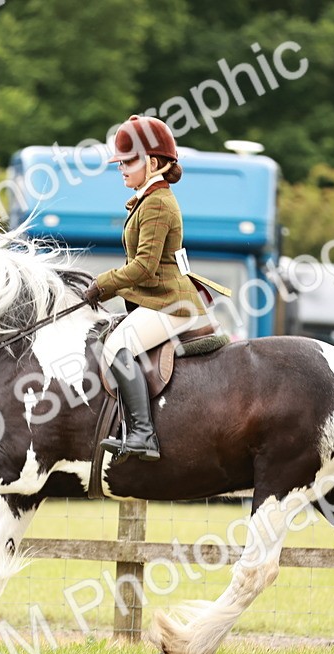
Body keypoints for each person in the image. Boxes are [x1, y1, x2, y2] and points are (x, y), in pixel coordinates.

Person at [83, 115, 207, 463]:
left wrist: (101, 285)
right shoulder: (146, 198)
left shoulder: (155, 203)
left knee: (117, 345)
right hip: (157, 300)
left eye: (128, 161)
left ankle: (142, 434)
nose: (120, 168)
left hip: (170, 304)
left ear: (153, 162)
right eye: (119, 161)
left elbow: (144, 267)